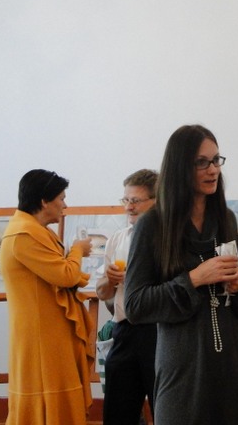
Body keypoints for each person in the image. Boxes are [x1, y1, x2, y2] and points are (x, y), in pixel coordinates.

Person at [124, 124, 238, 425]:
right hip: (184, 369)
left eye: (216, 160)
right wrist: (194, 279)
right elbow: (135, 305)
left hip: (233, 362)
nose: (213, 169)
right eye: (202, 162)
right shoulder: (152, 225)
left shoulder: (226, 219)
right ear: (180, 166)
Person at [0, 169, 94, 425]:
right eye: (61, 198)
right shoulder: (23, 234)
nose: (65, 205)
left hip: (48, 332)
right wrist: (77, 250)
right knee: (46, 396)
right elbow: (65, 276)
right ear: (44, 201)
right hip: (40, 336)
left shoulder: (35, 230)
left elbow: (58, 274)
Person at [96, 168, 158, 425]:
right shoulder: (118, 239)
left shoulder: (168, 238)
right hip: (124, 329)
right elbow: (102, 292)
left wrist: (136, 277)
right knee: (118, 412)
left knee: (164, 408)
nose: (129, 207)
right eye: (126, 200)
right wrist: (110, 280)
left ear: (156, 201)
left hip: (158, 331)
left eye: (136, 201)